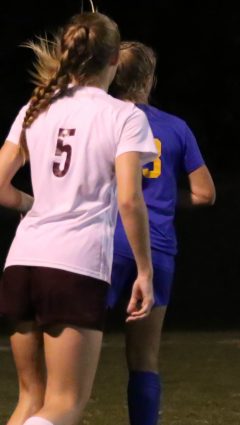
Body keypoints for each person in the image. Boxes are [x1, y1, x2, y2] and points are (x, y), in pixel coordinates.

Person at [0, 12, 157, 425]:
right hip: (74, 266)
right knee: (63, 404)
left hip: (21, 262)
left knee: (30, 401)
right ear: (113, 62)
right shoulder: (124, 116)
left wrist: (32, 205)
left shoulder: (35, 106)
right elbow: (129, 199)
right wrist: (144, 270)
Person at [106, 41, 216, 425]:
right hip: (155, 248)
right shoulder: (174, 127)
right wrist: (167, 198)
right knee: (143, 360)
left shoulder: (98, 118)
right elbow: (205, 194)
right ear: (150, 78)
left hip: (103, 243)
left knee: (71, 355)